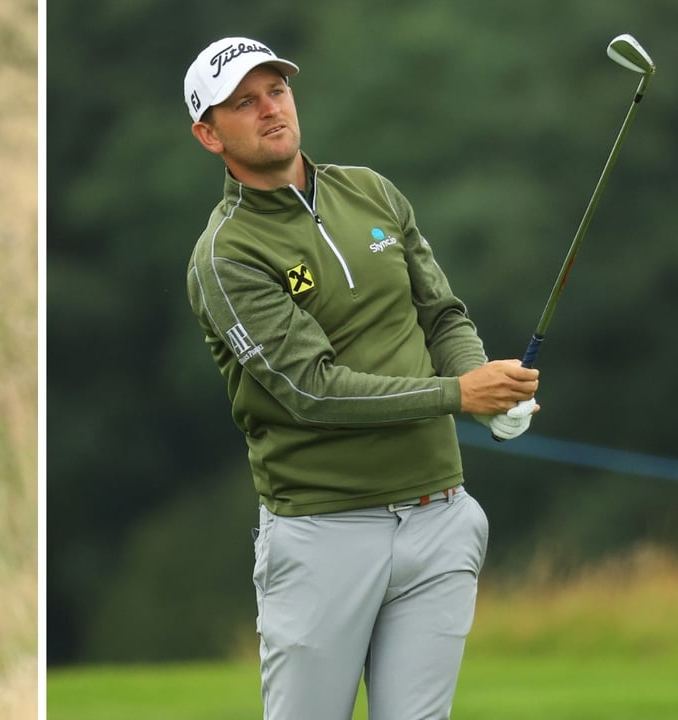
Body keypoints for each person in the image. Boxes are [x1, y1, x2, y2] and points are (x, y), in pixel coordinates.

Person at [183, 37, 539, 719]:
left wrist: (483, 383)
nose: (269, 110)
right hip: (323, 532)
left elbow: (442, 315)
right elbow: (311, 389)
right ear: (208, 134)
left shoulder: (371, 190)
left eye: (276, 92)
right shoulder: (225, 255)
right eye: (242, 103)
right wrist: (459, 395)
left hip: (439, 516)